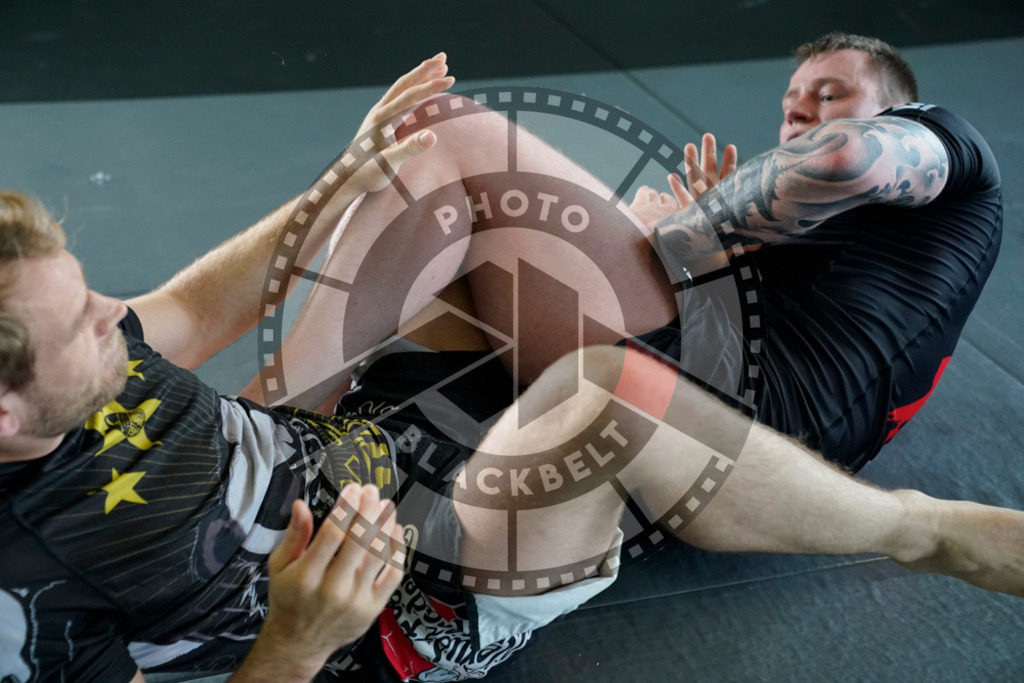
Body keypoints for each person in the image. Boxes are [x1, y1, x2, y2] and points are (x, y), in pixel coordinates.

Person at [2, 42, 1018, 683]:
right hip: (382, 598)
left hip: (335, 448)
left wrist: (350, 178)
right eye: (89, 320)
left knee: (428, 177)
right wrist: (294, 646)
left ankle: (290, 419)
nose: (116, 315)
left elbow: (176, 307)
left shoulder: (70, 361)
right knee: (601, 395)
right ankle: (921, 531)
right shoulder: (20, 594)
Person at [250, 32, 1000, 474]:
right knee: (432, 210)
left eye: (830, 94)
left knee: (442, 129)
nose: (799, 109)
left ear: (898, 107)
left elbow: (847, 163)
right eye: (792, 100)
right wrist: (721, 249)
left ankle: (255, 438)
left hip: (744, 429)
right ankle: (293, 427)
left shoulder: (947, 142)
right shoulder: (834, 254)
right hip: (737, 429)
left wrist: (689, 226)